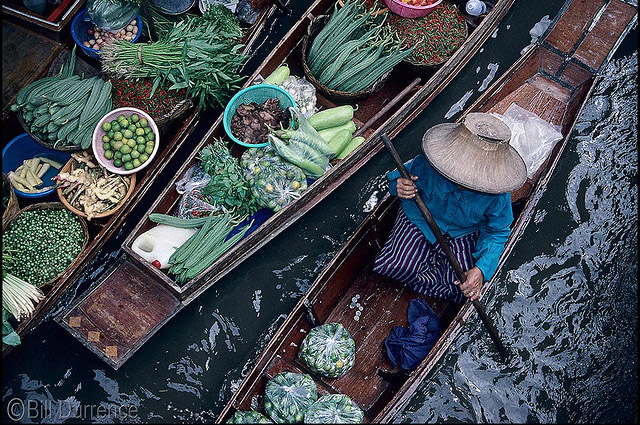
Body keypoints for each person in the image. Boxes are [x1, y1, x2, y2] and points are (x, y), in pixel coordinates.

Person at [373, 112, 527, 303]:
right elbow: (396, 180)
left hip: (462, 232)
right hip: (421, 218)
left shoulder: (498, 194)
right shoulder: (428, 163)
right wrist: (398, 186)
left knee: (461, 285)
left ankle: (431, 279)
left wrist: (481, 269)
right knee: (397, 266)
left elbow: (497, 232)